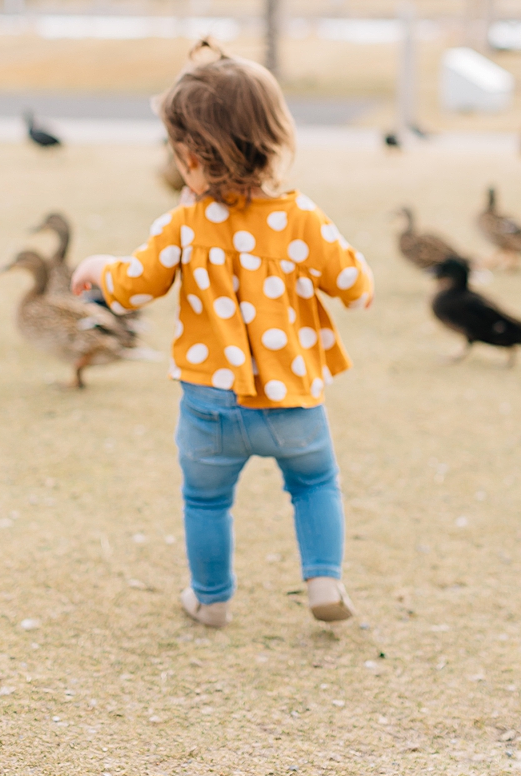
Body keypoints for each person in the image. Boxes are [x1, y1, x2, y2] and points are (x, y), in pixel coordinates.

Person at [72, 42, 374, 629]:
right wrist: (360, 286)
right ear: (274, 138)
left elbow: (133, 286)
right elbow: (353, 282)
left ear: (189, 156)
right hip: (292, 401)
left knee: (206, 500)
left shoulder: (183, 224)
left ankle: (211, 600)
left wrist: (99, 267)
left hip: (210, 402)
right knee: (315, 484)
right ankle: (323, 581)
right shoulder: (302, 217)